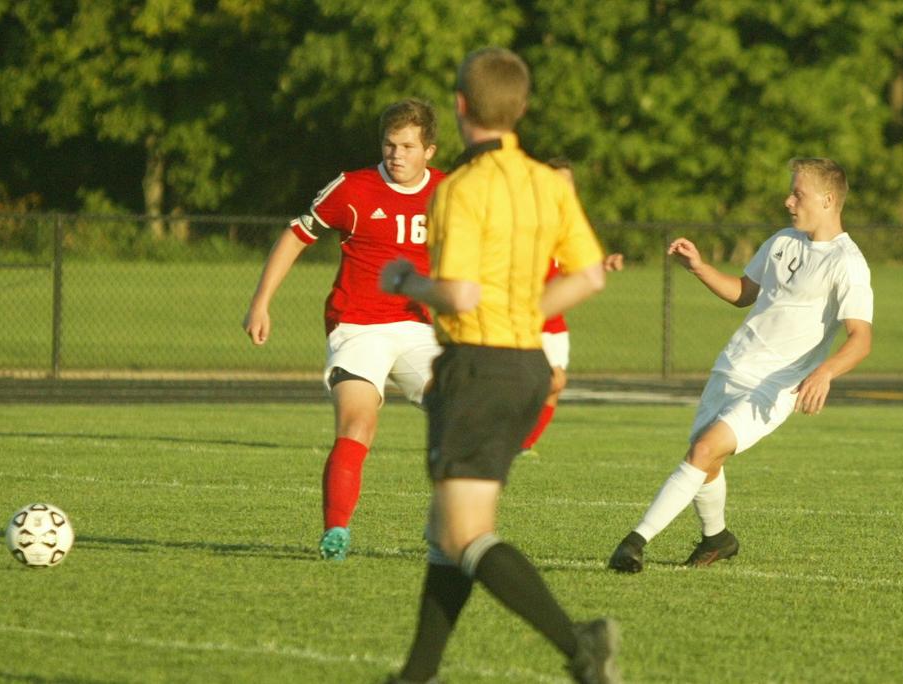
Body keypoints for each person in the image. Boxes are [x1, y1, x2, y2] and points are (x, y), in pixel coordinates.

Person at [379, 48, 622, 684]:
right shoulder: (547, 181)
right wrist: (528, 308)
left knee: (465, 534)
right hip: (527, 365)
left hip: (479, 365)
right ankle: (415, 675)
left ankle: (580, 642)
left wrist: (405, 278)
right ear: (520, 109)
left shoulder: (460, 188)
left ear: (460, 107)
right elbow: (591, 274)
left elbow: (457, 293)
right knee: (446, 532)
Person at [608, 157, 873, 573]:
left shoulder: (847, 262)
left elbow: (861, 337)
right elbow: (745, 293)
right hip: (731, 365)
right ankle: (718, 539)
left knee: (703, 450)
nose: (788, 201)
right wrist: (700, 268)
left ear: (826, 199)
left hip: (775, 385)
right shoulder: (783, 241)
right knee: (706, 461)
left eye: (797, 193)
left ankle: (633, 542)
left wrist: (824, 372)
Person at [242, 98, 445, 562]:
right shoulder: (352, 189)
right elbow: (297, 235)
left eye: (408, 146)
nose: (396, 154)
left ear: (429, 151)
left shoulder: (452, 192)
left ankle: (446, 520)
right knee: (358, 423)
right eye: (390, 145)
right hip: (358, 328)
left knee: (458, 414)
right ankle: (336, 531)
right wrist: (260, 302)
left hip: (419, 330)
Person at [519, 158, 624, 456]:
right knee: (553, 379)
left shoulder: (571, 225)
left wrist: (603, 264)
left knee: (554, 388)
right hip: (530, 318)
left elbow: (576, 266)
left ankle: (524, 444)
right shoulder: (528, 223)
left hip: (556, 322)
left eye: (568, 181)